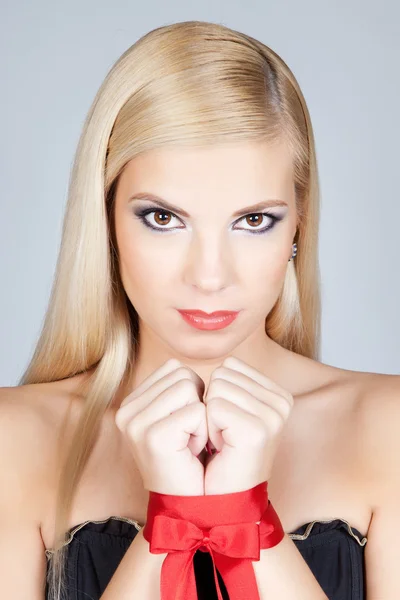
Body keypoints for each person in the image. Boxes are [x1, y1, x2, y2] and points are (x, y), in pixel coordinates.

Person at [1, 18, 399, 600]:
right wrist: (173, 516)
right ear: (107, 221)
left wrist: (244, 514)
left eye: (253, 221)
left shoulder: (389, 430)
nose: (209, 277)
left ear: (298, 225)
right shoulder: (13, 442)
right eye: (163, 218)